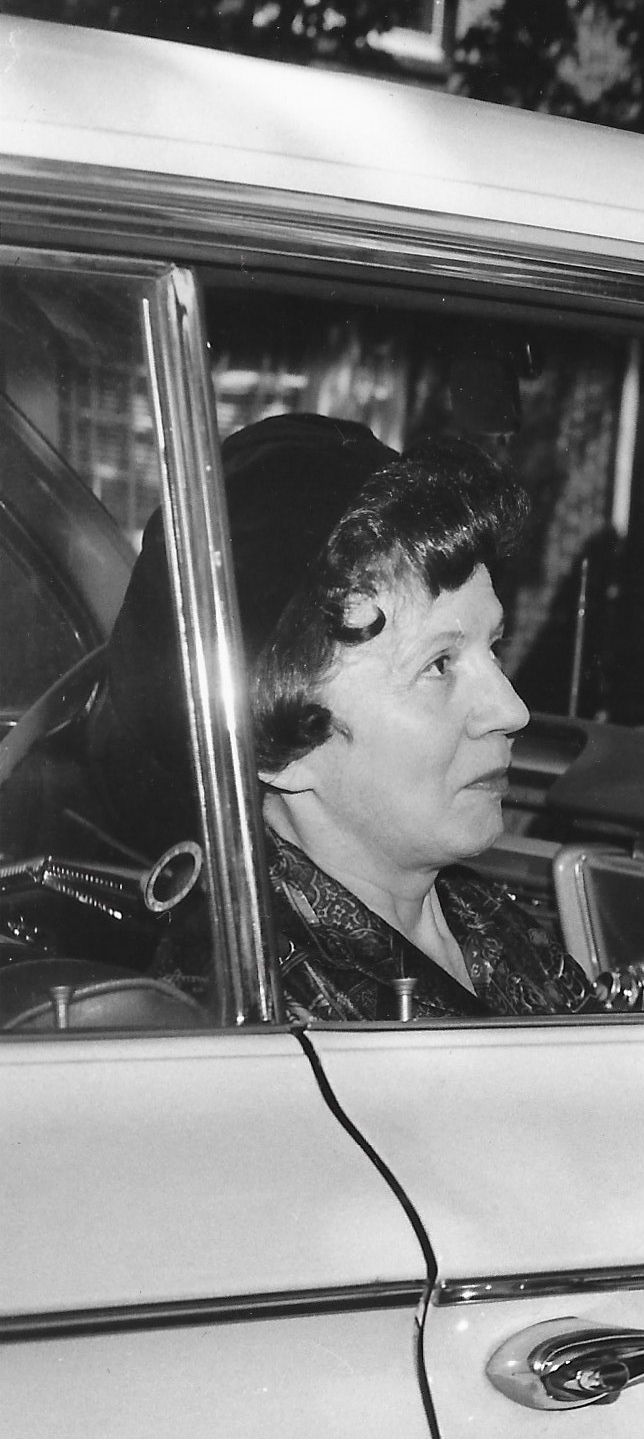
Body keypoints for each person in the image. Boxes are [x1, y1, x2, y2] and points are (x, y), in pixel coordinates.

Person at [124, 414, 593, 1021]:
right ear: (279, 746)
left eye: (493, 646)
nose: (511, 709)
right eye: (440, 665)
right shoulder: (263, 1018)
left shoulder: (478, 916)